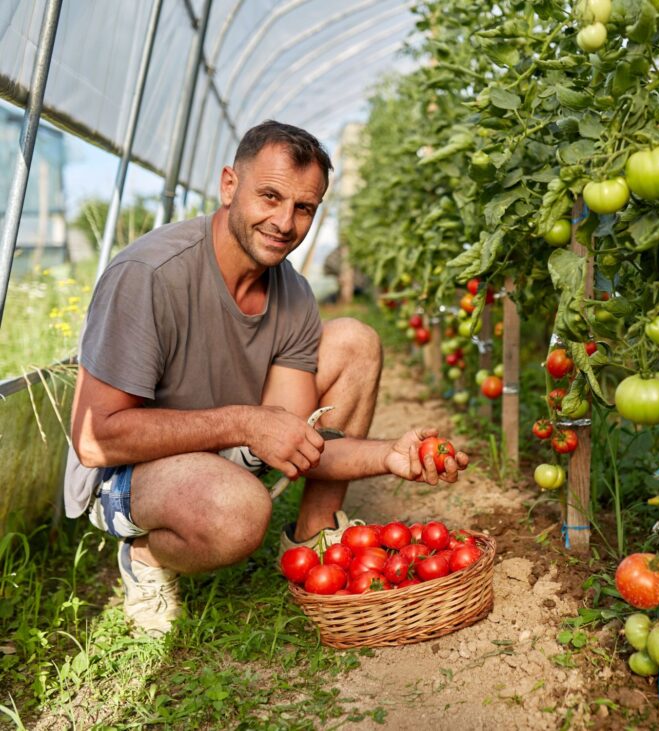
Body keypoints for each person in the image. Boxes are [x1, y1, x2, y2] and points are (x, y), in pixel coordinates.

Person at [64, 120, 469, 636]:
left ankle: (314, 539)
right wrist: (246, 422)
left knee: (354, 340)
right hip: (126, 473)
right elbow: (96, 440)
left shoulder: (293, 293)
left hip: (220, 450)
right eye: (270, 196)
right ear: (229, 185)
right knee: (238, 513)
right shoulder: (150, 275)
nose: (284, 222)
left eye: (304, 208)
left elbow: (299, 436)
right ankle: (145, 556)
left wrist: (389, 455)